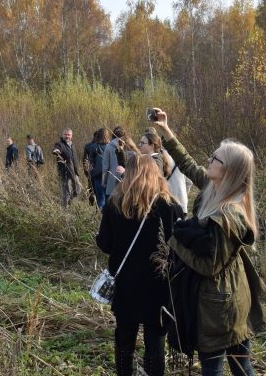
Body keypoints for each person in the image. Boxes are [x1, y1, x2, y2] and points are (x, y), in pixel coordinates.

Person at [152, 108, 266, 376]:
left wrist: (175, 241)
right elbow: (188, 165)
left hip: (219, 304)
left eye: (215, 157)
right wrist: (166, 130)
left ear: (227, 170)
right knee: (241, 363)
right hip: (227, 296)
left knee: (215, 368)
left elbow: (209, 267)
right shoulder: (215, 189)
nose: (209, 159)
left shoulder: (229, 213)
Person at [96, 154, 183, 376]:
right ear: (156, 173)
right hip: (158, 285)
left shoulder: (116, 204)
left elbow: (105, 244)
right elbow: (178, 250)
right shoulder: (169, 206)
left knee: (125, 340)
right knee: (155, 343)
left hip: (125, 285)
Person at [102, 126, 136, 205]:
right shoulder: (130, 145)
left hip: (112, 181)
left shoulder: (108, 147)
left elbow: (105, 166)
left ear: (113, 135)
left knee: (111, 207)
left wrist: (104, 181)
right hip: (127, 181)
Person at [53, 128, 81, 207]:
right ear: (62, 135)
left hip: (74, 172)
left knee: (78, 188)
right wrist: (56, 151)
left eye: (69, 135)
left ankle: (70, 201)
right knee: (66, 192)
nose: (67, 136)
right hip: (65, 172)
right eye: (65, 134)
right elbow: (56, 149)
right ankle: (65, 210)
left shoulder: (72, 145)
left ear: (71, 136)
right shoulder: (59, 144)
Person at [88, 127, 110, 209]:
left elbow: (91, 162)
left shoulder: (94, 147)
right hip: (109, 175)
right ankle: (109, 218)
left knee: (100, 198)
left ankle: (101, 217)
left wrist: (90, 176)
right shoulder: (111, 147)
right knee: (109, 198)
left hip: (97, 175)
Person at [83, 131, 99, 206]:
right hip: (100, 172)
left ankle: (92, 204)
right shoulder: (104, 146)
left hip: (91, 171)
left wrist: (86, 172)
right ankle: (97, 208)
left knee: (91, 189)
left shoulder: (88, 146)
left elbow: (85, 160)